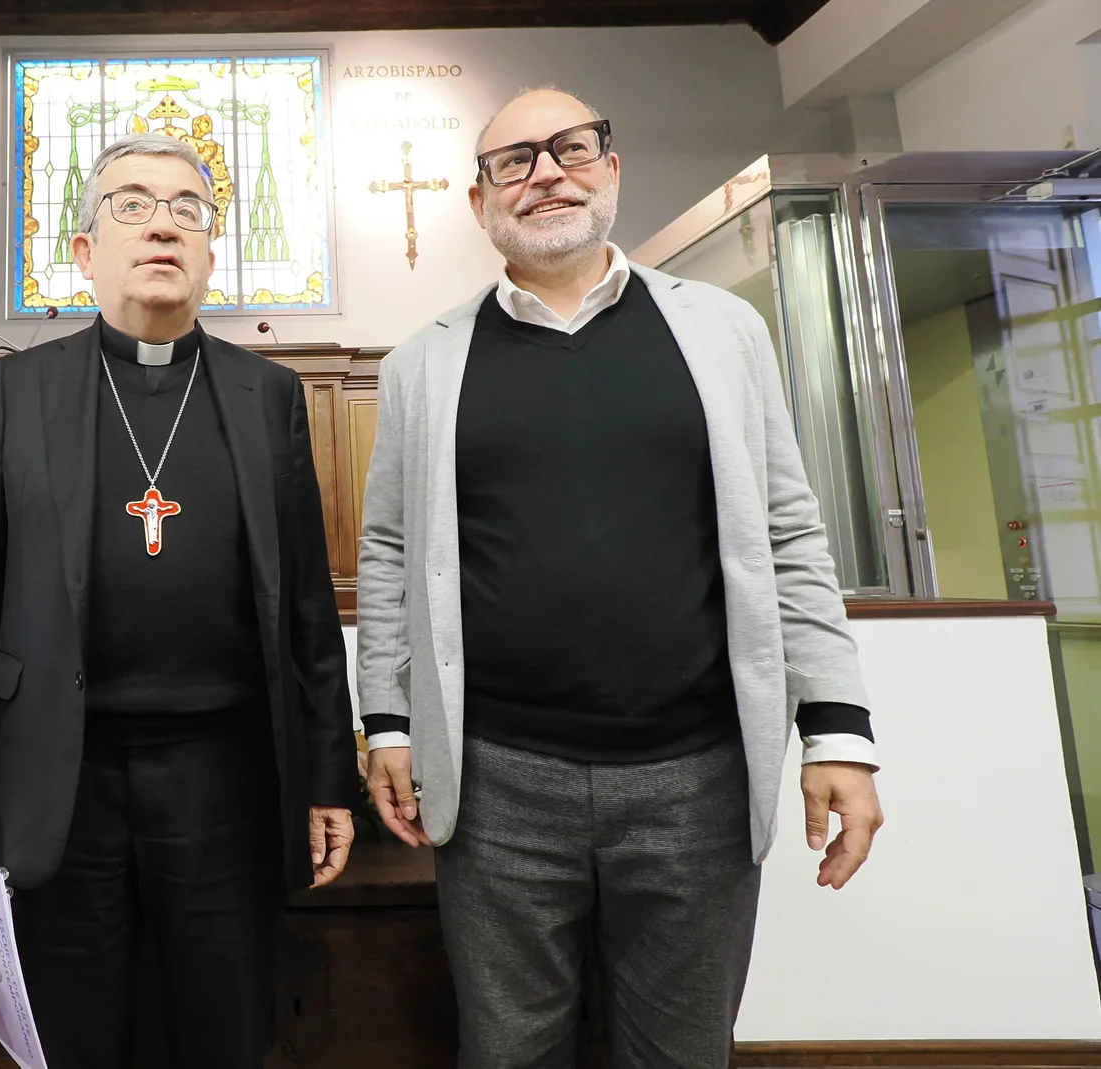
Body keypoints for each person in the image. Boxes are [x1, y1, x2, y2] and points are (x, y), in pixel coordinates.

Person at [355, 88, 886, 1069]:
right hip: (495, 781)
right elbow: (387, 551)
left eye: (569, 147)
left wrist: (839, 732)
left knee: (681, 1052)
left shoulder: (723, 333)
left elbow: (789, 533)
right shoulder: (420, 366)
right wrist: (386, 718)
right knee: (509, 1050)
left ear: (610, 166)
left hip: (696, 774)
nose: (546, 172)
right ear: (479, 202)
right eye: (513, 160)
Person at [0, 133, 356, 1069]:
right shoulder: (23, 388)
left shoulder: (267, 394)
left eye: (189, 208)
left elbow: (306, 607)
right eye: (133, 204)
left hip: (227, 775)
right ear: (83, 250)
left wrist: (325, 777)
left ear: (211, 251)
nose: (164, 225)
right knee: (71, 1039)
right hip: (63, 778)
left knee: (224, 1033)